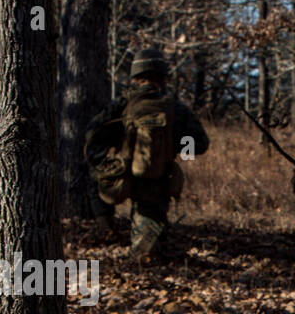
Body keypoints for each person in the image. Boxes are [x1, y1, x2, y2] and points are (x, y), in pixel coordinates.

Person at [83, 48, 209, 263]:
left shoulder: (121, 106)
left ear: (135, 76)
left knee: (93, 176)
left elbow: (92, 138)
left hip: (120, 177)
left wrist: (109, 163)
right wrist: (177, 151)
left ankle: (105, 226)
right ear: (163, 77)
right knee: (147, 253)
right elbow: (200, 143)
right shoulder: (175, 109)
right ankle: (145, 243)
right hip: (156, 179)